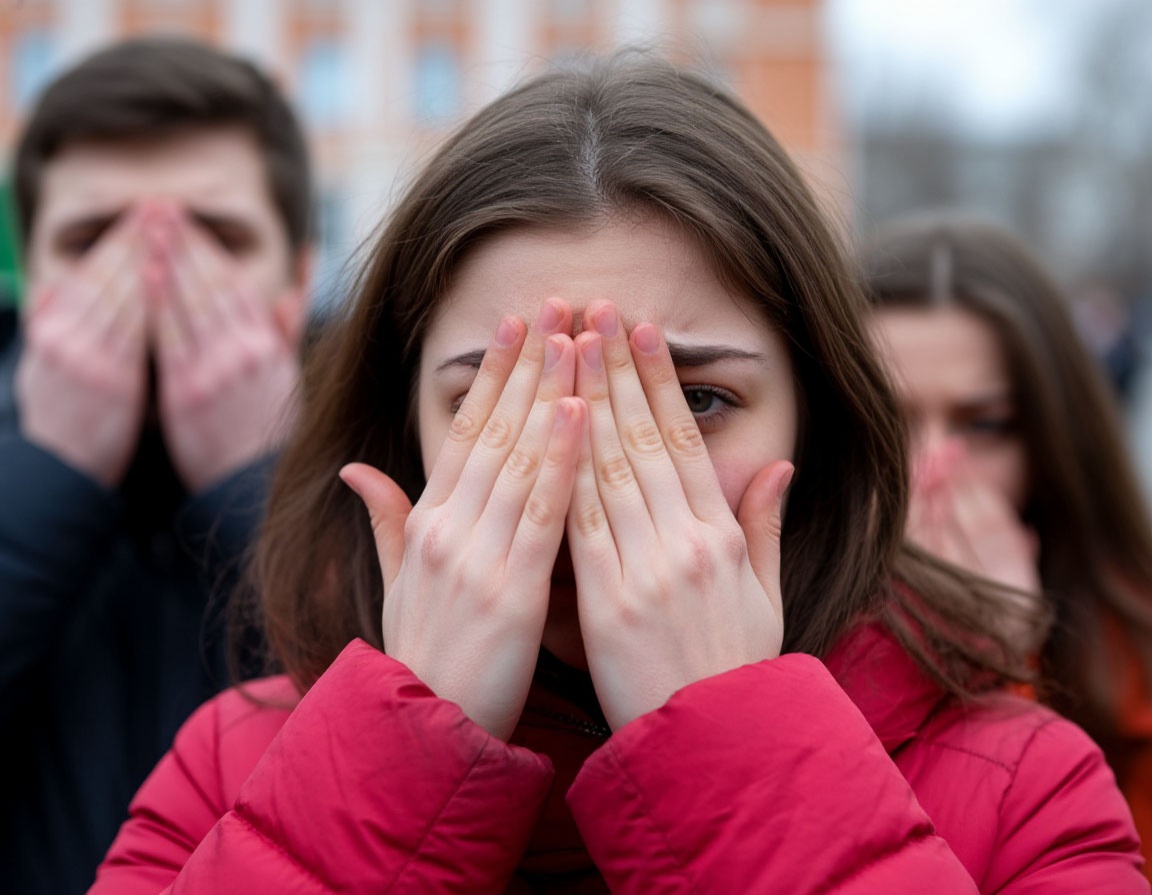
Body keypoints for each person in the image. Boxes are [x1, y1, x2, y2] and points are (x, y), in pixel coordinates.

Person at [90, 56, 1144, 895]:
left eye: (693, 400)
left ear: (820, 431)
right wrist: (396, 759)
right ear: (397, 438)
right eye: (498, 399)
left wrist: (734, 750)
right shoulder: (234, 763)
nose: (586, 469)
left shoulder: (1023, 781)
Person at [0, 37, 313, 895]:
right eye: (92, 238)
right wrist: (49, 473)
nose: (151, 276)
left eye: (216, 237)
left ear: (299, 280)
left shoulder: (402, 463)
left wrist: (265, 489)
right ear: (29, 284)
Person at [862, 210, 1152, 881]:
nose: (931, 465)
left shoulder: (1135, 656)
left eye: (983, 423)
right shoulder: (766, 635)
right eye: (887, 419)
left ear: (1052, 438)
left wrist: (1000, 669)